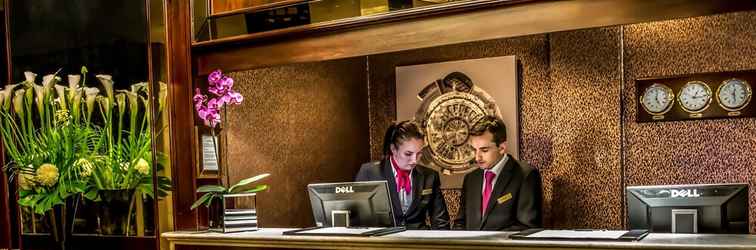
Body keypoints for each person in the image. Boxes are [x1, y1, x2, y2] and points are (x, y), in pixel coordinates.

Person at [355, 120, 450, 229]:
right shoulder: (369, 173)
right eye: (408, 154)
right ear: (393, 149)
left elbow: (441, 222)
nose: (414, 160)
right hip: (383, 242)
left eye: (419, 154)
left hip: (419, 242)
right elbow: (357, 220)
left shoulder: (430, 176)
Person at [455, 116, 542, 231]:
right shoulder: (471, 178)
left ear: (502, 148)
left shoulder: (526, 175)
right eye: (474, 150)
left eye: (484, 150)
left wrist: (487, 243)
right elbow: (460, 222)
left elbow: (527, 226)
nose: (477, 157)